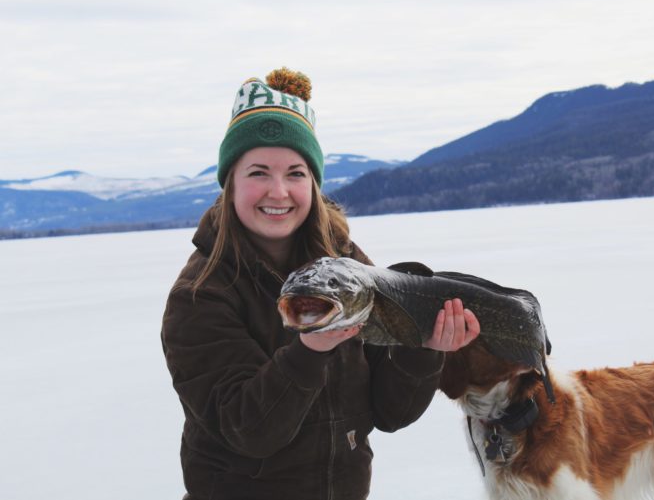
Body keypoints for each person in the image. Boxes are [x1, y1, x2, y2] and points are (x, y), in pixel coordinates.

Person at [161, 68, 480, 500]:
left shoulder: (347, 265)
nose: (279, 191)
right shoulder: (200, 295)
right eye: (258, 172)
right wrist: (310, 351)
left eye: (295, 173)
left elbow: (391, 412)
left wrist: (424, 350)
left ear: (313, 182)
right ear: (230, 182)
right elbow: (248, 430)